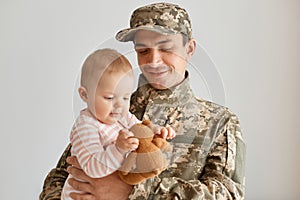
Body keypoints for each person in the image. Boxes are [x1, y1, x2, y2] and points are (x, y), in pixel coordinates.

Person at [40, 2, 246, 200]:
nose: (153, 61)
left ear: (189, 49)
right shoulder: (112, 108)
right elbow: (60, 176)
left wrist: (134, 191)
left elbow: (229, 195)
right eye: (143, 50)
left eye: (165, 48)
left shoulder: (219, 122)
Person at [60, 48, 175, 200]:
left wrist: (156, 131)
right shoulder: (85, 128)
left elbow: (140, 129)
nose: (119, 106)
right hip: (82, 195)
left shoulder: (121, 116)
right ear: (85, 95)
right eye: (109, 98)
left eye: (126, 98)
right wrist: (119, 150)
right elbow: (92, 168)